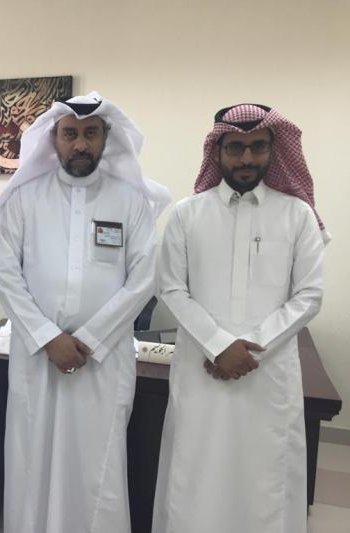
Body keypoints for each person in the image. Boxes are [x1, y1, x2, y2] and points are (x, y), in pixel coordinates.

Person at [0, 92, 170, 533]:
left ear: (107, 138)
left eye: (91, 133)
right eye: (70, 134)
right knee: (32, 459)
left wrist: (88, 339)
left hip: (102, 361)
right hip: (37, 357)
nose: (80, 144)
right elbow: (6, 276)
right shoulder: (24, 198)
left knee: (97, 465)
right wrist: (49, 338)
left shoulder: (131, 201)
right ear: (54, 139)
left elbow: (144, 279)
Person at [152, 103, 326, 533]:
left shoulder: (297, 214)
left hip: (267, 374)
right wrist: (218, 345)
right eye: (235, 147)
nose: (247, 157)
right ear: (218, 151)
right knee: (194, 472)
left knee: (266, 479)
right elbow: (171, 288)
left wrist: (249, 350)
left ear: (272, 149)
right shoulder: (186, 213)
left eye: (257, 147)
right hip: (201, 368)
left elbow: (309, 295)